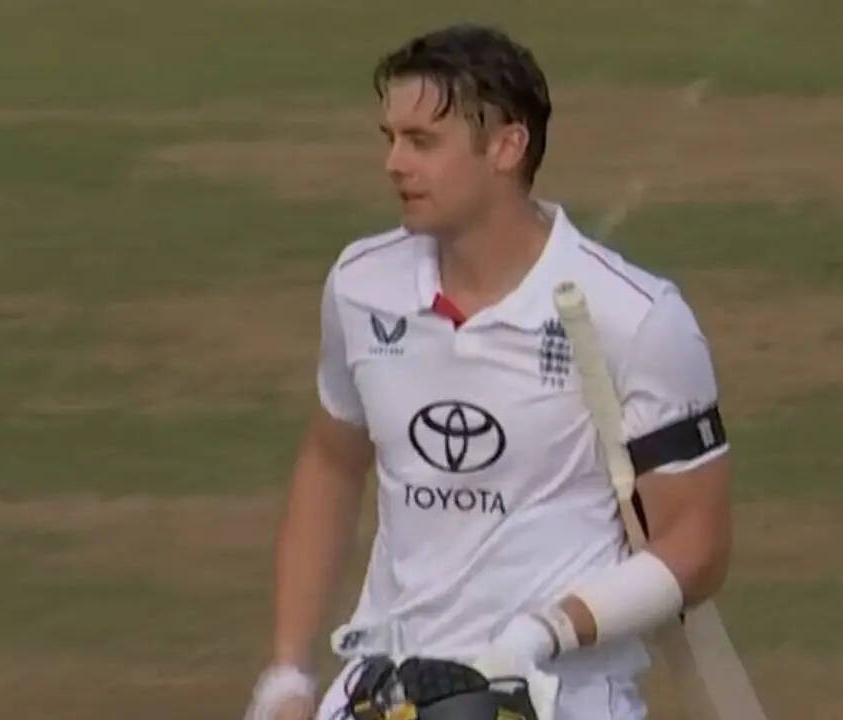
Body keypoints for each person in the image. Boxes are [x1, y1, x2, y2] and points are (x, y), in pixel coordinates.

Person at [242, 24, 733, 720]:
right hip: (384, 692)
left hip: (561, 696)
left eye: (422, 142)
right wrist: (289, 671)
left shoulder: (635, 317)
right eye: (390, 138)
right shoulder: (361, 285)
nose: (394, 163)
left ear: (507, 147)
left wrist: (544, 632)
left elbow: (697, 544)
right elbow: (331, 460)